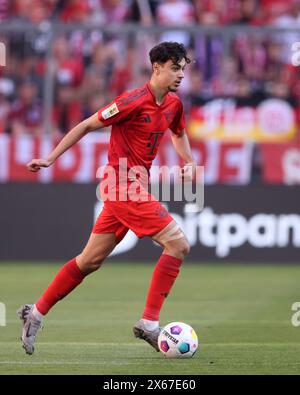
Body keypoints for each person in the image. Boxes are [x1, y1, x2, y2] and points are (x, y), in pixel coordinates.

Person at [17, 41, 196, 355]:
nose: (181, 75)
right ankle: (150, 324)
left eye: (183, 69)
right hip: (121, 185)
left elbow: (179, 133)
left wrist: (189, 162)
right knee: (178, 244)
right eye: (175, 68)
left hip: (133, 187)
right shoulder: (131, 101)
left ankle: (36, 312)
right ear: (157, 67)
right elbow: (87, 125)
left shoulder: (173, 105)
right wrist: (50, 158)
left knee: (88, 261)